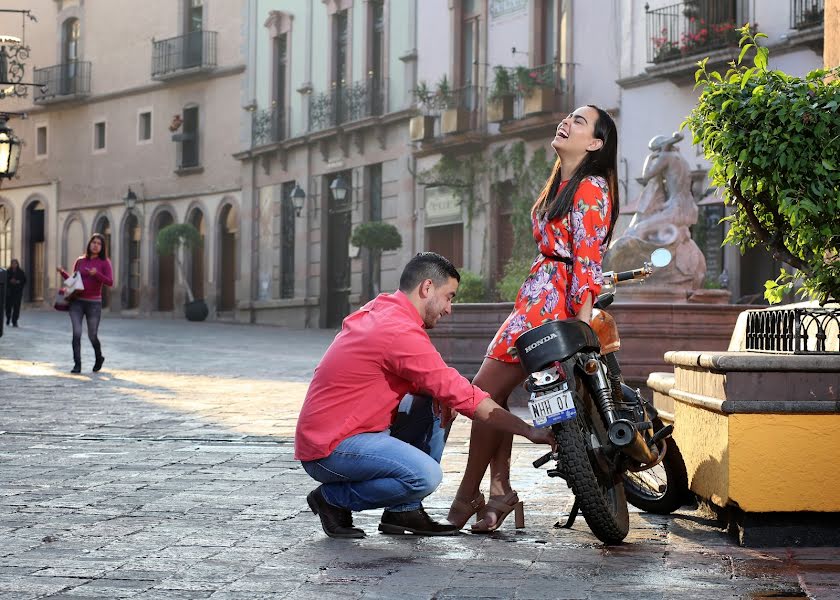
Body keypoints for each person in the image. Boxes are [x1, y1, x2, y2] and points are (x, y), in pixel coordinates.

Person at [295, 252, 555, 539]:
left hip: (348, 433)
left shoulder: (383, 309)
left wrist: (442, 395)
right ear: (427, 288)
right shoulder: (398, 330)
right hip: (330, 449)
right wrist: (530, 430)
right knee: (425, 476)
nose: (449, 309)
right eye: (449, 297)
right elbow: (464, 396)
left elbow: (442, 384)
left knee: (435, 398)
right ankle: (332, 499)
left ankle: (403, 511)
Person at [447, 105, 620, 533]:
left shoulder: (591, 187)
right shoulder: (561, 183)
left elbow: (587, 262)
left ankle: (469, 494)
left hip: (552, 308)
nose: (567, 122)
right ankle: (500, 490)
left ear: (595, 143)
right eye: (569, 117)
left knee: (482, 393)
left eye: (579, 121)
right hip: (535, 299)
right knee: (492, 396)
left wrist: (580, 326)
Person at [57, 233, 114, 373]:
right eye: (93, 242)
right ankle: (77, 365)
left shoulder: (105, 262)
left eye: (99, 243)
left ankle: (98, 358)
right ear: (89, 244)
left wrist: (97, 274)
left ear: (102, 247)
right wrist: (63, 273)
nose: (95, 245)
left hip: (94, 303)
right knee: (76, 333)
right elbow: (74, 281)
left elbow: (110, 282)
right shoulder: (80, 261)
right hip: (77, 302)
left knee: (92, 335)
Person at [5, 259, 26, 327]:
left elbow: (24, 280)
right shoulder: (8, 271)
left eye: (15, 263)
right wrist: (10, 281)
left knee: (16, 307)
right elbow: (5, 280)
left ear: (17, 264)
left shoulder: (21, 272)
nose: (14, 265)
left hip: (17, 292)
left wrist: (18, 282)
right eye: (13, 264)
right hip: (9, 292)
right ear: (11, 264)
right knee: (8, 307)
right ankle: (8, 318)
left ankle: (15, 321)